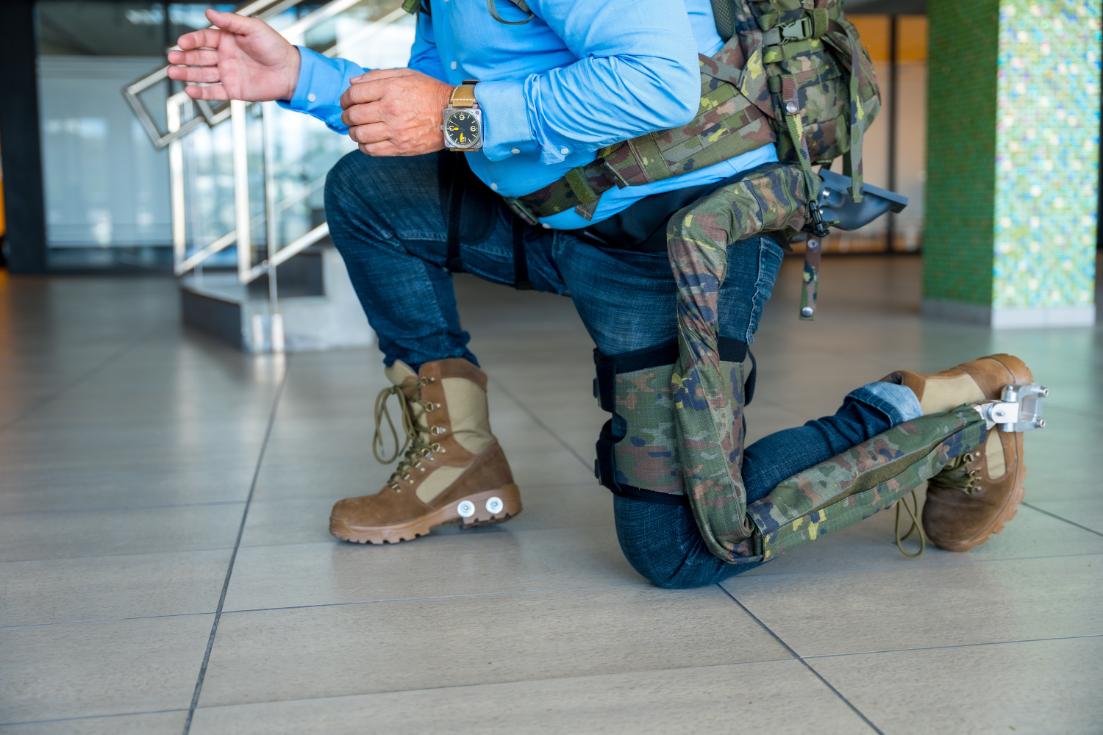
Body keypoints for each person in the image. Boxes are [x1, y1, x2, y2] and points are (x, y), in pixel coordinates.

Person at [167, 3, 1034, 588]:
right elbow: (431, 100)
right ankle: (459, 455)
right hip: (556, 212)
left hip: (678, 233)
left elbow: (656, 81)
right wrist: (300, 78)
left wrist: (459, 114)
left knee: (680, 550)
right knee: (369, 194)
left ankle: (952, 410)